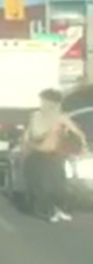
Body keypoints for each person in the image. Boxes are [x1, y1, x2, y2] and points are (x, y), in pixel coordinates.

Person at [21, 88, 88, 223]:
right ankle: (49, 211)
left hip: (54, 156)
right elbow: (27, 135)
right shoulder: (35, 116)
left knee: (59, 186)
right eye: (42, 101)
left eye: (45, 101)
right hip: (37, 156)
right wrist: (24, 149)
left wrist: (83, 148)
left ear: (54, 103)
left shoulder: (60, 118)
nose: (43, 104)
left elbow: (79, 133)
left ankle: (60, 209)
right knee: (43, 188)